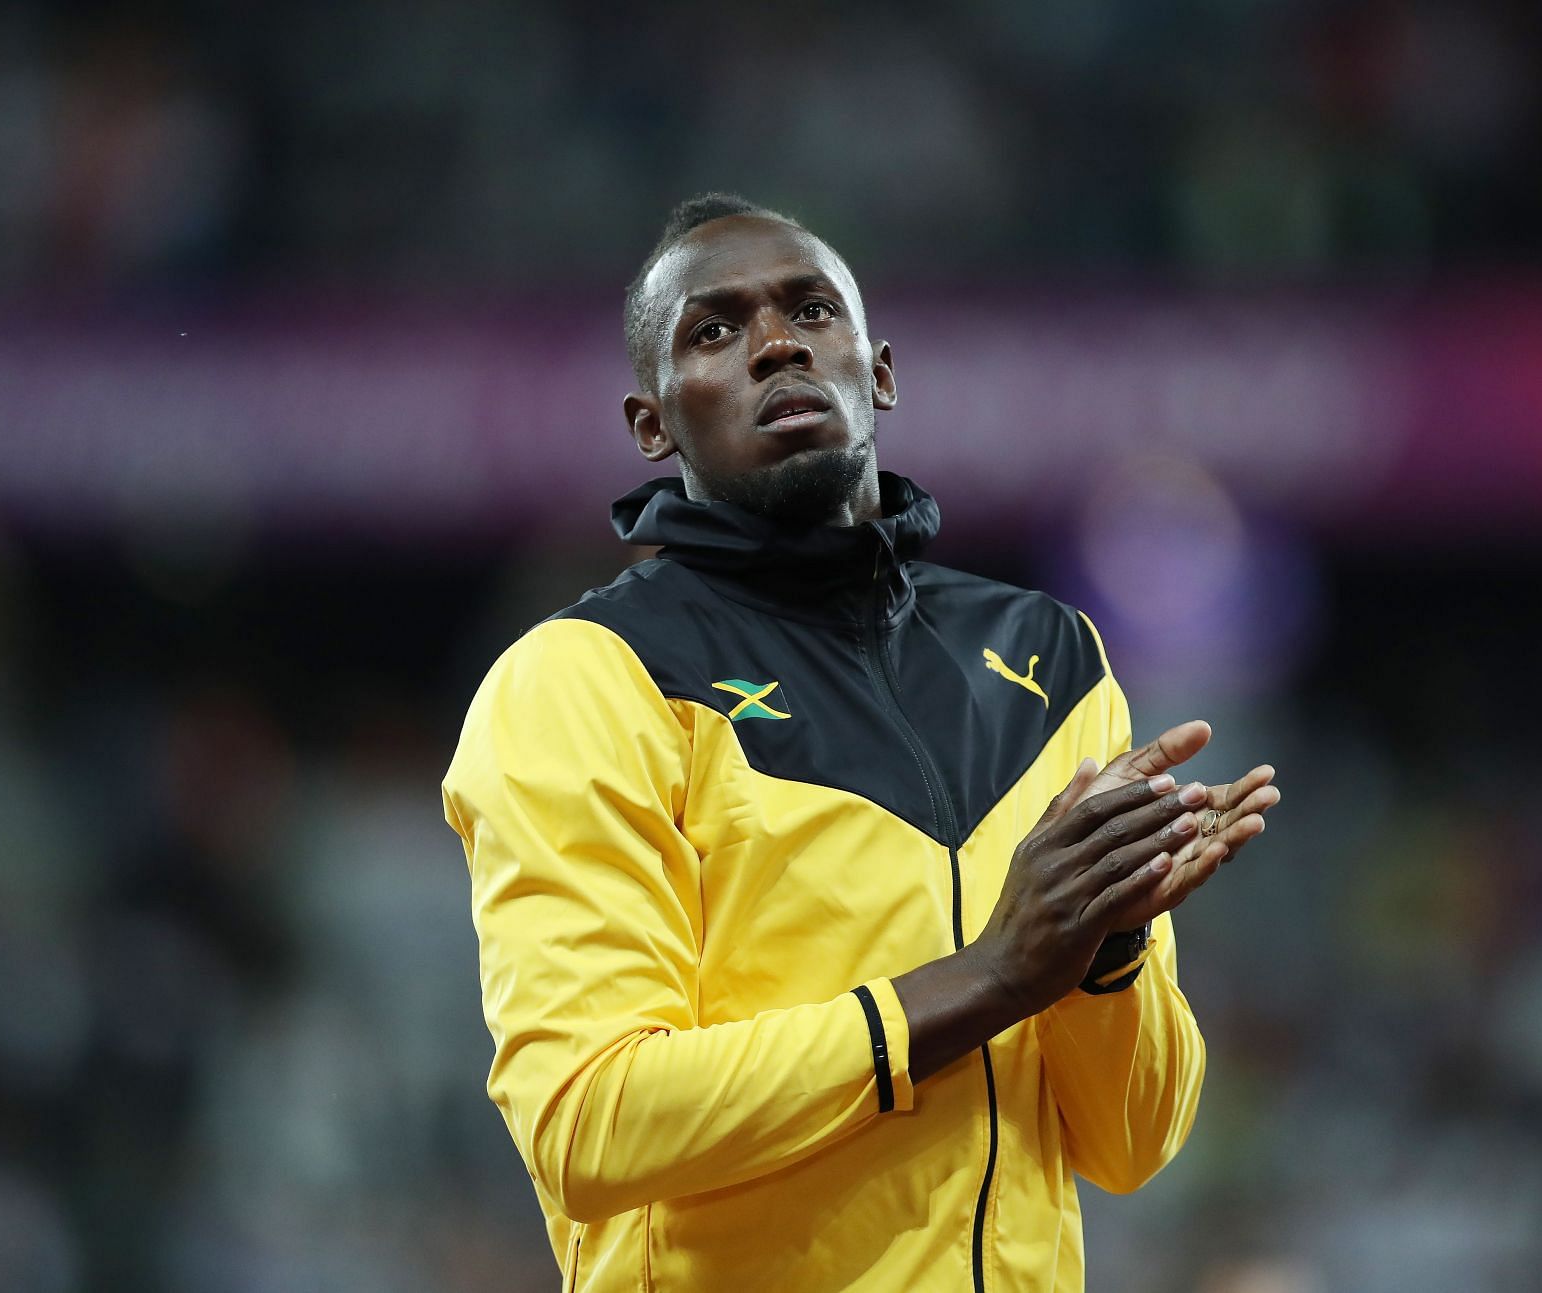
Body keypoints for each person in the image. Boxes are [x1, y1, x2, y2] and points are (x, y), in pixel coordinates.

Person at [441, 193, 1281, 1292]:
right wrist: (987, 978)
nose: (777, 344)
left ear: (878, 372)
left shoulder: (1051, 659)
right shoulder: (585, 681)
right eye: (715, 330)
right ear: (653, 424)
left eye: (811, 311)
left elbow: (1130, 1145)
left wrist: (1102, 953)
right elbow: (591, 1126)